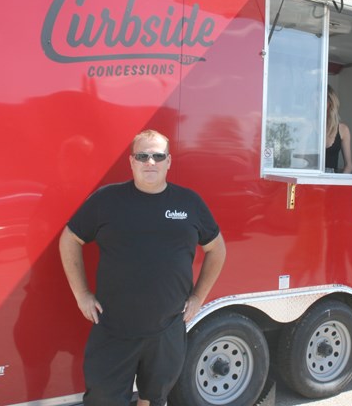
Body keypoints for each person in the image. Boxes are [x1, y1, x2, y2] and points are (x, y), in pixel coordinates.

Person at [59, 129, 227, 406]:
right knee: (103, 399)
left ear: (169, 161)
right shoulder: (106, 200)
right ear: (132, 161)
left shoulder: (189, 203)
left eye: (158, 156)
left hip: (167, 330)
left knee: (153, 399)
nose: (151, 162)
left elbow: (217, 249)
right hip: (113, 329)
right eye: (143, 155)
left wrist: (198, 297)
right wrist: (82, 294)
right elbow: (69, 240)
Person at [325, 86, 352, 173]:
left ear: (330, 103)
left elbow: (349, 166)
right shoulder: (307, 127)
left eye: (319, 100)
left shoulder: (343, 130)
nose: (315, 104)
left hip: (332, 181)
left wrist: (338, 183)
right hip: (309, 179)